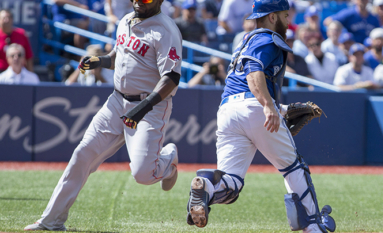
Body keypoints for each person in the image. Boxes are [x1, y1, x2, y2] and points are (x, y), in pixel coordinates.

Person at [24, 0, 182, 230]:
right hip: (117, 101)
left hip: (150, 107)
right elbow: (118, 57)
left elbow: (171, 78)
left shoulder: (165, 30)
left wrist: (144, 107)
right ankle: (52, 221)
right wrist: (100, 60)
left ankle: (168, 159)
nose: (138, 1)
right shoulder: (126, 20)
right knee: (83, 153)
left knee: (143, 174)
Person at [185, 1, 336, 232]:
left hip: (228, 110)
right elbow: (254, 74)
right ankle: (314, 225)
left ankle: (205, 186)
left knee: (231, 186)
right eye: (286, 16)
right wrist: (268, 106)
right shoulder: (266, 38)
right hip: (254, 106)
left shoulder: (245, 40)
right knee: (293, 167)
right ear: (273, 17)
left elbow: (246, 87)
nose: (289, 21)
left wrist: (280, 109)